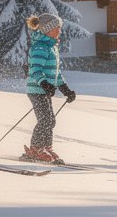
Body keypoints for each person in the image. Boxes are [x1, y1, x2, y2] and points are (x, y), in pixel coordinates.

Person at [21, 13, 76, 164]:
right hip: (36, 90)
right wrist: (45, 84)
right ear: (47, 29)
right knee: (45, 119)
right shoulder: (40, 47)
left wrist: (66, 90)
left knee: (50, 120)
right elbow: (35, 70)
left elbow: (56, 73)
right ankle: (35, 149)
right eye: (57, 27)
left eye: (60, 27)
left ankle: (46, 147)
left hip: (45, 90)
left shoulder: (52, 47)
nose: (59, 30)